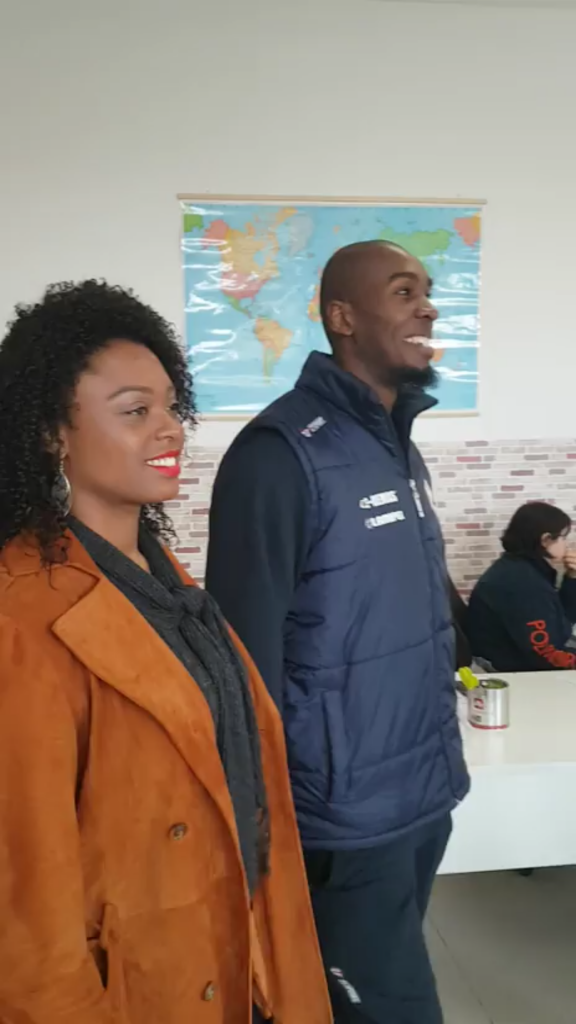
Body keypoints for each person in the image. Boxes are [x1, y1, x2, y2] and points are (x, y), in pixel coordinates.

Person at [0, 281, 331, 1024]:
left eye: (170, 407)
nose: (170, 430)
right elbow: (25, 921)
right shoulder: (20, 617)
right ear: (52, 434)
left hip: (238, 953)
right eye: (134, 412)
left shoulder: (165, 578)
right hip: (140, 989)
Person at [206, 241, 470, 1024]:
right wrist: (256, 822)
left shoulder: (394, 447)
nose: (428, 307)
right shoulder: (281, 453)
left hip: (420, 795)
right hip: (342, 818)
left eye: (427, 290)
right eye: (404, 291)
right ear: (343, 317)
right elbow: (242, 658)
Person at [466, 501, 576, 671]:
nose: (566, 544)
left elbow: (562, 618)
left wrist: (572, 577)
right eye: (563, 537)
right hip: (513, 667)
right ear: (545, 540)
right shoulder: (521, 584)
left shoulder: (523, 568)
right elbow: (544, 655)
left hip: (526, 655)